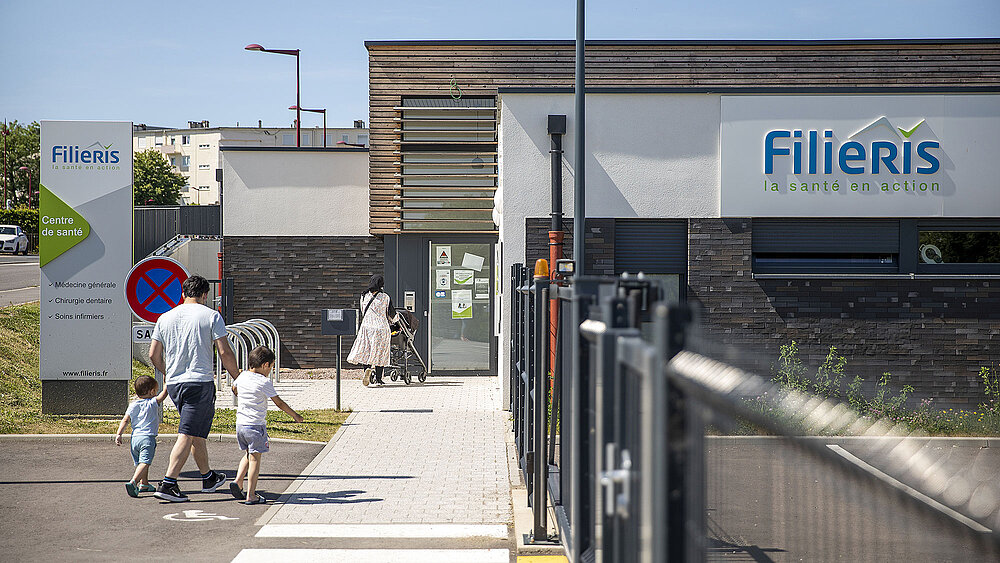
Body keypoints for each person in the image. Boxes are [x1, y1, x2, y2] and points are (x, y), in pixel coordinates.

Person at [149, 274, 241, 502]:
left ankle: (208, 477)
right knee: (187, 433)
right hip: (199, 383)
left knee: (196, 432)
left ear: (182, 293)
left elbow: (153, 354)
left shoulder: (165, 317)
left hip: (176, 384)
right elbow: (224, 352)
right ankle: (169, 483)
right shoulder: (211, 316)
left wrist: (168, 373)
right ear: (205, 295)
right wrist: (237, 378)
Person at [229, 345, 303, 505]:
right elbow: (279, 403)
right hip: (255, 426)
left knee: (249, 454)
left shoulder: (242, 376)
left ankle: (238, 481)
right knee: (255, 459)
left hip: (241, 424)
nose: (270, 370)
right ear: (265, 365)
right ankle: (251, 495)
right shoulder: (264, 382)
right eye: (271, 366)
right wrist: (295, 415)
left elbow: (234, 387)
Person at [114, 375, 166, 497]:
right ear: (152, 391)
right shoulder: (152, 402)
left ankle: (145, 484)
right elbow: (164, 394)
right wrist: (167, 381)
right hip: (147, 438)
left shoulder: (133, 405)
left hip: (135, 439)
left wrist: (119, 434)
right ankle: (134, 482)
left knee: (140, 462)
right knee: (145, 462)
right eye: (156, 390)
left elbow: (125, 420)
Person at [347, 274, 399, 386]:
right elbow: (392, 315)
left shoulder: (364, 296)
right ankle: (379, 379)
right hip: (381, 328)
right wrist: (396, 319)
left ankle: (367, 370)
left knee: (366, 351)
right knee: (380, 353)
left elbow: (362, 311)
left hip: (366, 328)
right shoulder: (385, 297)